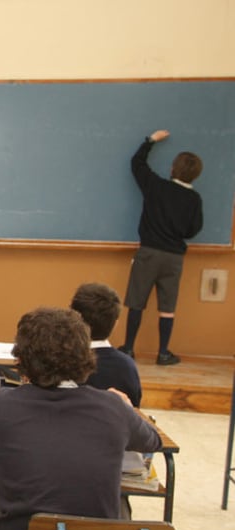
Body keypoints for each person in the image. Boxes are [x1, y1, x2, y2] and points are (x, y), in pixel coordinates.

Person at [0, 307, 162, 530]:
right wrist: (127, 409)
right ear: (85, 355)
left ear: (21, 358)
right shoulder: (113, 406)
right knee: (120, 502)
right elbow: (153, 441)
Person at [119, 130, 203, 366]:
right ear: (196, 175)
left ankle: (128, 349)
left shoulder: (156, 187)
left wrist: (150, 141)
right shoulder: (194, 200)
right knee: (168, 306)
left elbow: (137, 164)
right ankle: (163, 352)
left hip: (149, 253)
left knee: (136, 301)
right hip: (174, 257)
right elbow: (193, 230)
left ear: (172, 169)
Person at [71, 282, 142, 407]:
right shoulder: (127, 366)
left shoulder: (60, 362)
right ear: (115, 324)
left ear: (73, 318)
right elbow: (135, 410)